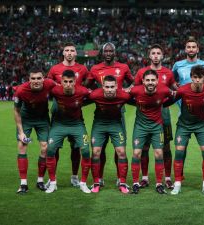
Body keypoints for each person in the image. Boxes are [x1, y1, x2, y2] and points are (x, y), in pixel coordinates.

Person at [88, 42, 134, 187]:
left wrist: (127, 90)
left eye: (111, 51)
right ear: (102, 53)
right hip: (101, 112)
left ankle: (119, 178)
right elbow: (87, 86)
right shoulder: (95, 68)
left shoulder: (123, 67)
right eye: (106, 51)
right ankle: (99, 177)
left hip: (118, 112)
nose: (108, 53)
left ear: (115, 53)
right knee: (99, 149)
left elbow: (134, 83)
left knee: (118, 148)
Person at [134, 44, 178, 189]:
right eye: (153, 53)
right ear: (149, 55)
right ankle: (145, 177)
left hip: (163, 115)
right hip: (144, 116)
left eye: (158, 53)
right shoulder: (141, 72)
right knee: (144, 147)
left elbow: (175, 91)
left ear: (162, 56)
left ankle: (167, 178)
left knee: (165, 148)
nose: (156, 56)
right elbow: (135, 92)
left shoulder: (168, 73)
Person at [172, 36, 204, 179]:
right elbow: (171, 81)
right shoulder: (178, 65)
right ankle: (180, 174)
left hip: (201, 109)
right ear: (185, 49)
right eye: (188, 47)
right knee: (181, 148)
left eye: (193, 47)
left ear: (197, 49)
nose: (191, 49)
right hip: (182, 110)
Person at [169, 65, 204, 196]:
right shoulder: (183, 90)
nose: (197, 80)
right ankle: (177, 184)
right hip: (184, 125)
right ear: (191, 78)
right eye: (195, 77)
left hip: (201, 126)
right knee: (179, 152)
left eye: (200, 78)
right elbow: (168, 102)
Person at [47, 42, 89, 187]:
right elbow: (48, 86)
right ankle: (53, 178)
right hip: (58, 111)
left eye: (72, 50)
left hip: (75, 111)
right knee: (54, 147)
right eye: (67, 50)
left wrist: (79, 99)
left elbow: (87, 86)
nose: (70, 53)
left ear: (76, 53)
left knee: (76, 147)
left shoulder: (82, 69)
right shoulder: (55, 69)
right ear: (63, 53)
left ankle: (75, 176)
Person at [129, 69, 174, 194]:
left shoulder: (164, 90)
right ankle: (135, 183)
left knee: (159, 153)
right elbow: (125, 97)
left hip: (156, 127)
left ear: (157, 81)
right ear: (142, 81)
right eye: (147, 80)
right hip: (140, 127)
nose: (150, 82)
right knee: (137, 153)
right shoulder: (136, 90)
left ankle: (159, 184)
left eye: (153, 80)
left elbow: (175, 96)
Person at [14, 67, 56, 193]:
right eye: (33, 78)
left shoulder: (50, 84)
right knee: (22, 145)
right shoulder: (21, 90)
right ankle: (23, 184)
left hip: (42, 119)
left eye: (39, 78)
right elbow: (16, 111)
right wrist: (21, 132)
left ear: (44, 79)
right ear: (29, 79)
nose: (36, 81)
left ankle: (40, 180)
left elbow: (62, 91)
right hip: (26, 119)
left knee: (45, 147)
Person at [89, 75, 131, 194]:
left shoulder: (124, 95)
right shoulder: (95, 95)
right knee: (96, 152)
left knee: (121, 152)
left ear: (117, 86)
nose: (109, 89)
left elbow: (137, 99)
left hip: (115, 124)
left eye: (112, 87)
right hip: (99, 125)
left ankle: (122, 183)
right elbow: (82, 99)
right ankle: (96, 182)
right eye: (107, 87)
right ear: (103, 87)